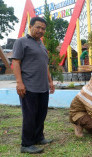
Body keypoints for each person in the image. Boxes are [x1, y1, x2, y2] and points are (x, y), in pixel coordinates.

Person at [12, 17, 55, 154]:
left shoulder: (41, 45)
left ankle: (38, 137)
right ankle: (26, 144)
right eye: (38, 27)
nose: (41, 30)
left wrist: (50, 81)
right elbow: (16, 63)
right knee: (30, 115)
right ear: (30, 27)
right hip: (29, 86)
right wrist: (19, 83)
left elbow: (45, 65)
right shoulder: (21, 42)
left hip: (43, 87)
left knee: (41, 114)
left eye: (43, 28)